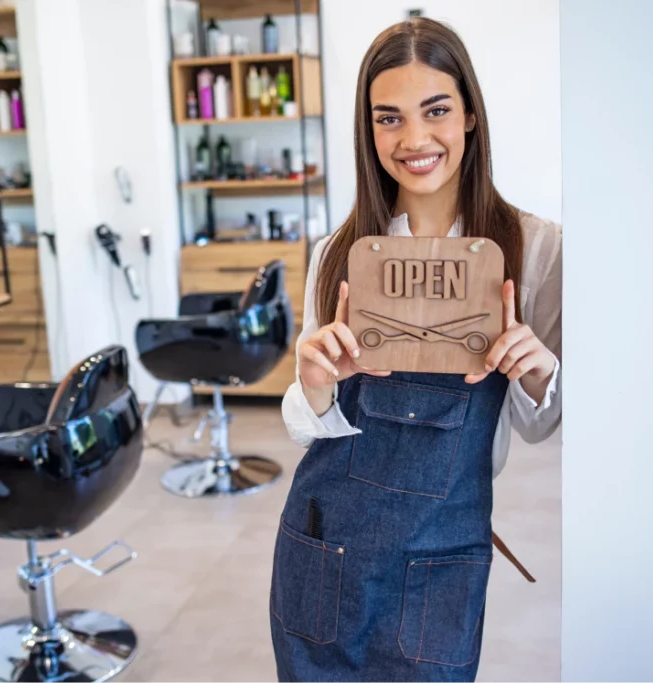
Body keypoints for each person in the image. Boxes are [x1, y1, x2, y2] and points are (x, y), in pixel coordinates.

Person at [269, 17, 562, 683]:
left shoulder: (534, 248)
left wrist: (540, 369)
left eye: (435, 111)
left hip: (442, 564)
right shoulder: (338, 254)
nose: (414, 139)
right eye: (388, 118)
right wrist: (315, 382)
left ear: (471, 118)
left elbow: (539, 424)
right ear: (368, 132)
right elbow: (305, 427)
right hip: (324, 551)